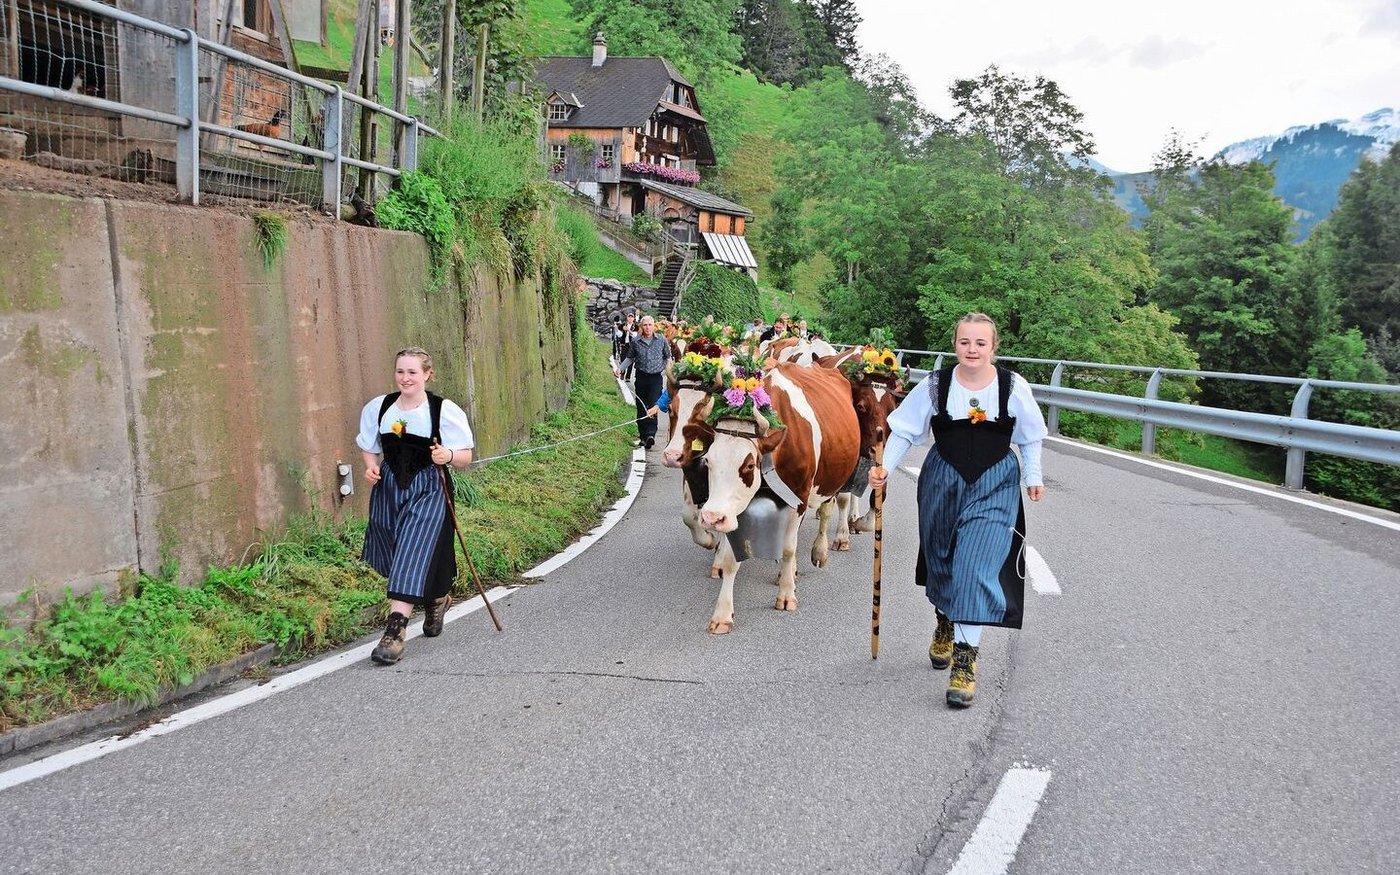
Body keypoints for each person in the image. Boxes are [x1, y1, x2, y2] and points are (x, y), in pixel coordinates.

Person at [868, 314, 1047, 708]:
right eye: (965, 342)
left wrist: (1033, 476)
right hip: (942, 479)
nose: (972, 349)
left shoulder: (1012, 386)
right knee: (943, 560)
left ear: (993, 347)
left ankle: (965, 665)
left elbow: (1031, 437)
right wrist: (885, 469)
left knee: (975, 566)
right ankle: (945, 621)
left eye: (980, 343)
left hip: (995, 482)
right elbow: (904, 430)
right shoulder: (936, 385)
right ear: (955, 345)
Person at [357, 347, 475, 665]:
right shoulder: (379, 408)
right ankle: (437, 597)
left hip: (429, 488)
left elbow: (465, 455)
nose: (405, 378)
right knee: (393, 548)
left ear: (426, 374)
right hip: (390, 489)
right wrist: (371, 466)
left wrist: (447, 456)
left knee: (412, 548)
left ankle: (394, 632)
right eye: (400, 371)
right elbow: (369, 447)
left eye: (412, 372)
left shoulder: (442, 410)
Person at [613, 314, 672, 449]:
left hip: (656, 377)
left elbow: (668, 357)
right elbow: (630, 358)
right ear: (641, 327)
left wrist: (670, 373)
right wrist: (620, 369)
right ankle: (643, 436)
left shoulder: (661, 340)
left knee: (653, 404)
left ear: (654, 326)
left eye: (650, 325)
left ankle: (651, 434)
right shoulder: (636, 342)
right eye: (645, 325)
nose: (647, 327)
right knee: (641, 405)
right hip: (641, 377)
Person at [613, 311, 638, 379]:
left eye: (631, 317)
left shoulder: (636, 327)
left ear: (633, 319)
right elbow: (619, 335)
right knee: (623, 360)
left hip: (632, 346)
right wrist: (616, 329)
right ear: (627, 318)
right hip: (624, 345)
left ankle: (628, 376)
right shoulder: (622, 325)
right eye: (629, 317)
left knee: (631, 361)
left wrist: (628, 330)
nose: (630, 318)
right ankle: (622, 373)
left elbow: (635, 336)